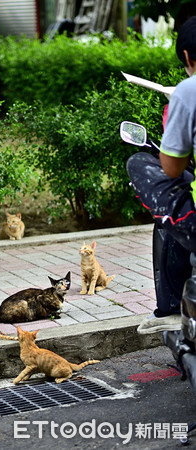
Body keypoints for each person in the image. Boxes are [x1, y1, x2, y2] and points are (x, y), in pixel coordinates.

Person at [126, 16, 196, 334]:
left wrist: (176, 109)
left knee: (140, 163)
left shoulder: (188, 91)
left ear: (186, 57)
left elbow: (171, 167)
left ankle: (170, 307)